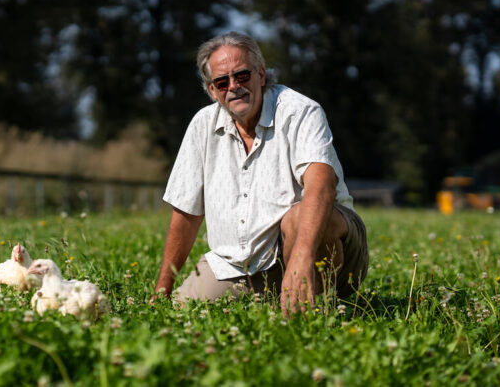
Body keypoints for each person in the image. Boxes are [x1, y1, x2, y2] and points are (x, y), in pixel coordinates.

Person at [153, 32, 368, 315]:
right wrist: (163, 288)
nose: (234, 87)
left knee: (299, 216)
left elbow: (321, 185)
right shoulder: (201, 127)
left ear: (261, 75)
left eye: (242, 76)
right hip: (239, 263)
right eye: (222, 82)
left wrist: (303, 257)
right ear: (212, 90)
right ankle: (277, 297)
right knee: (181, 313)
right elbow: (187, 213)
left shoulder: (300, 111)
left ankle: (321, 313)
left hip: (319, 244)